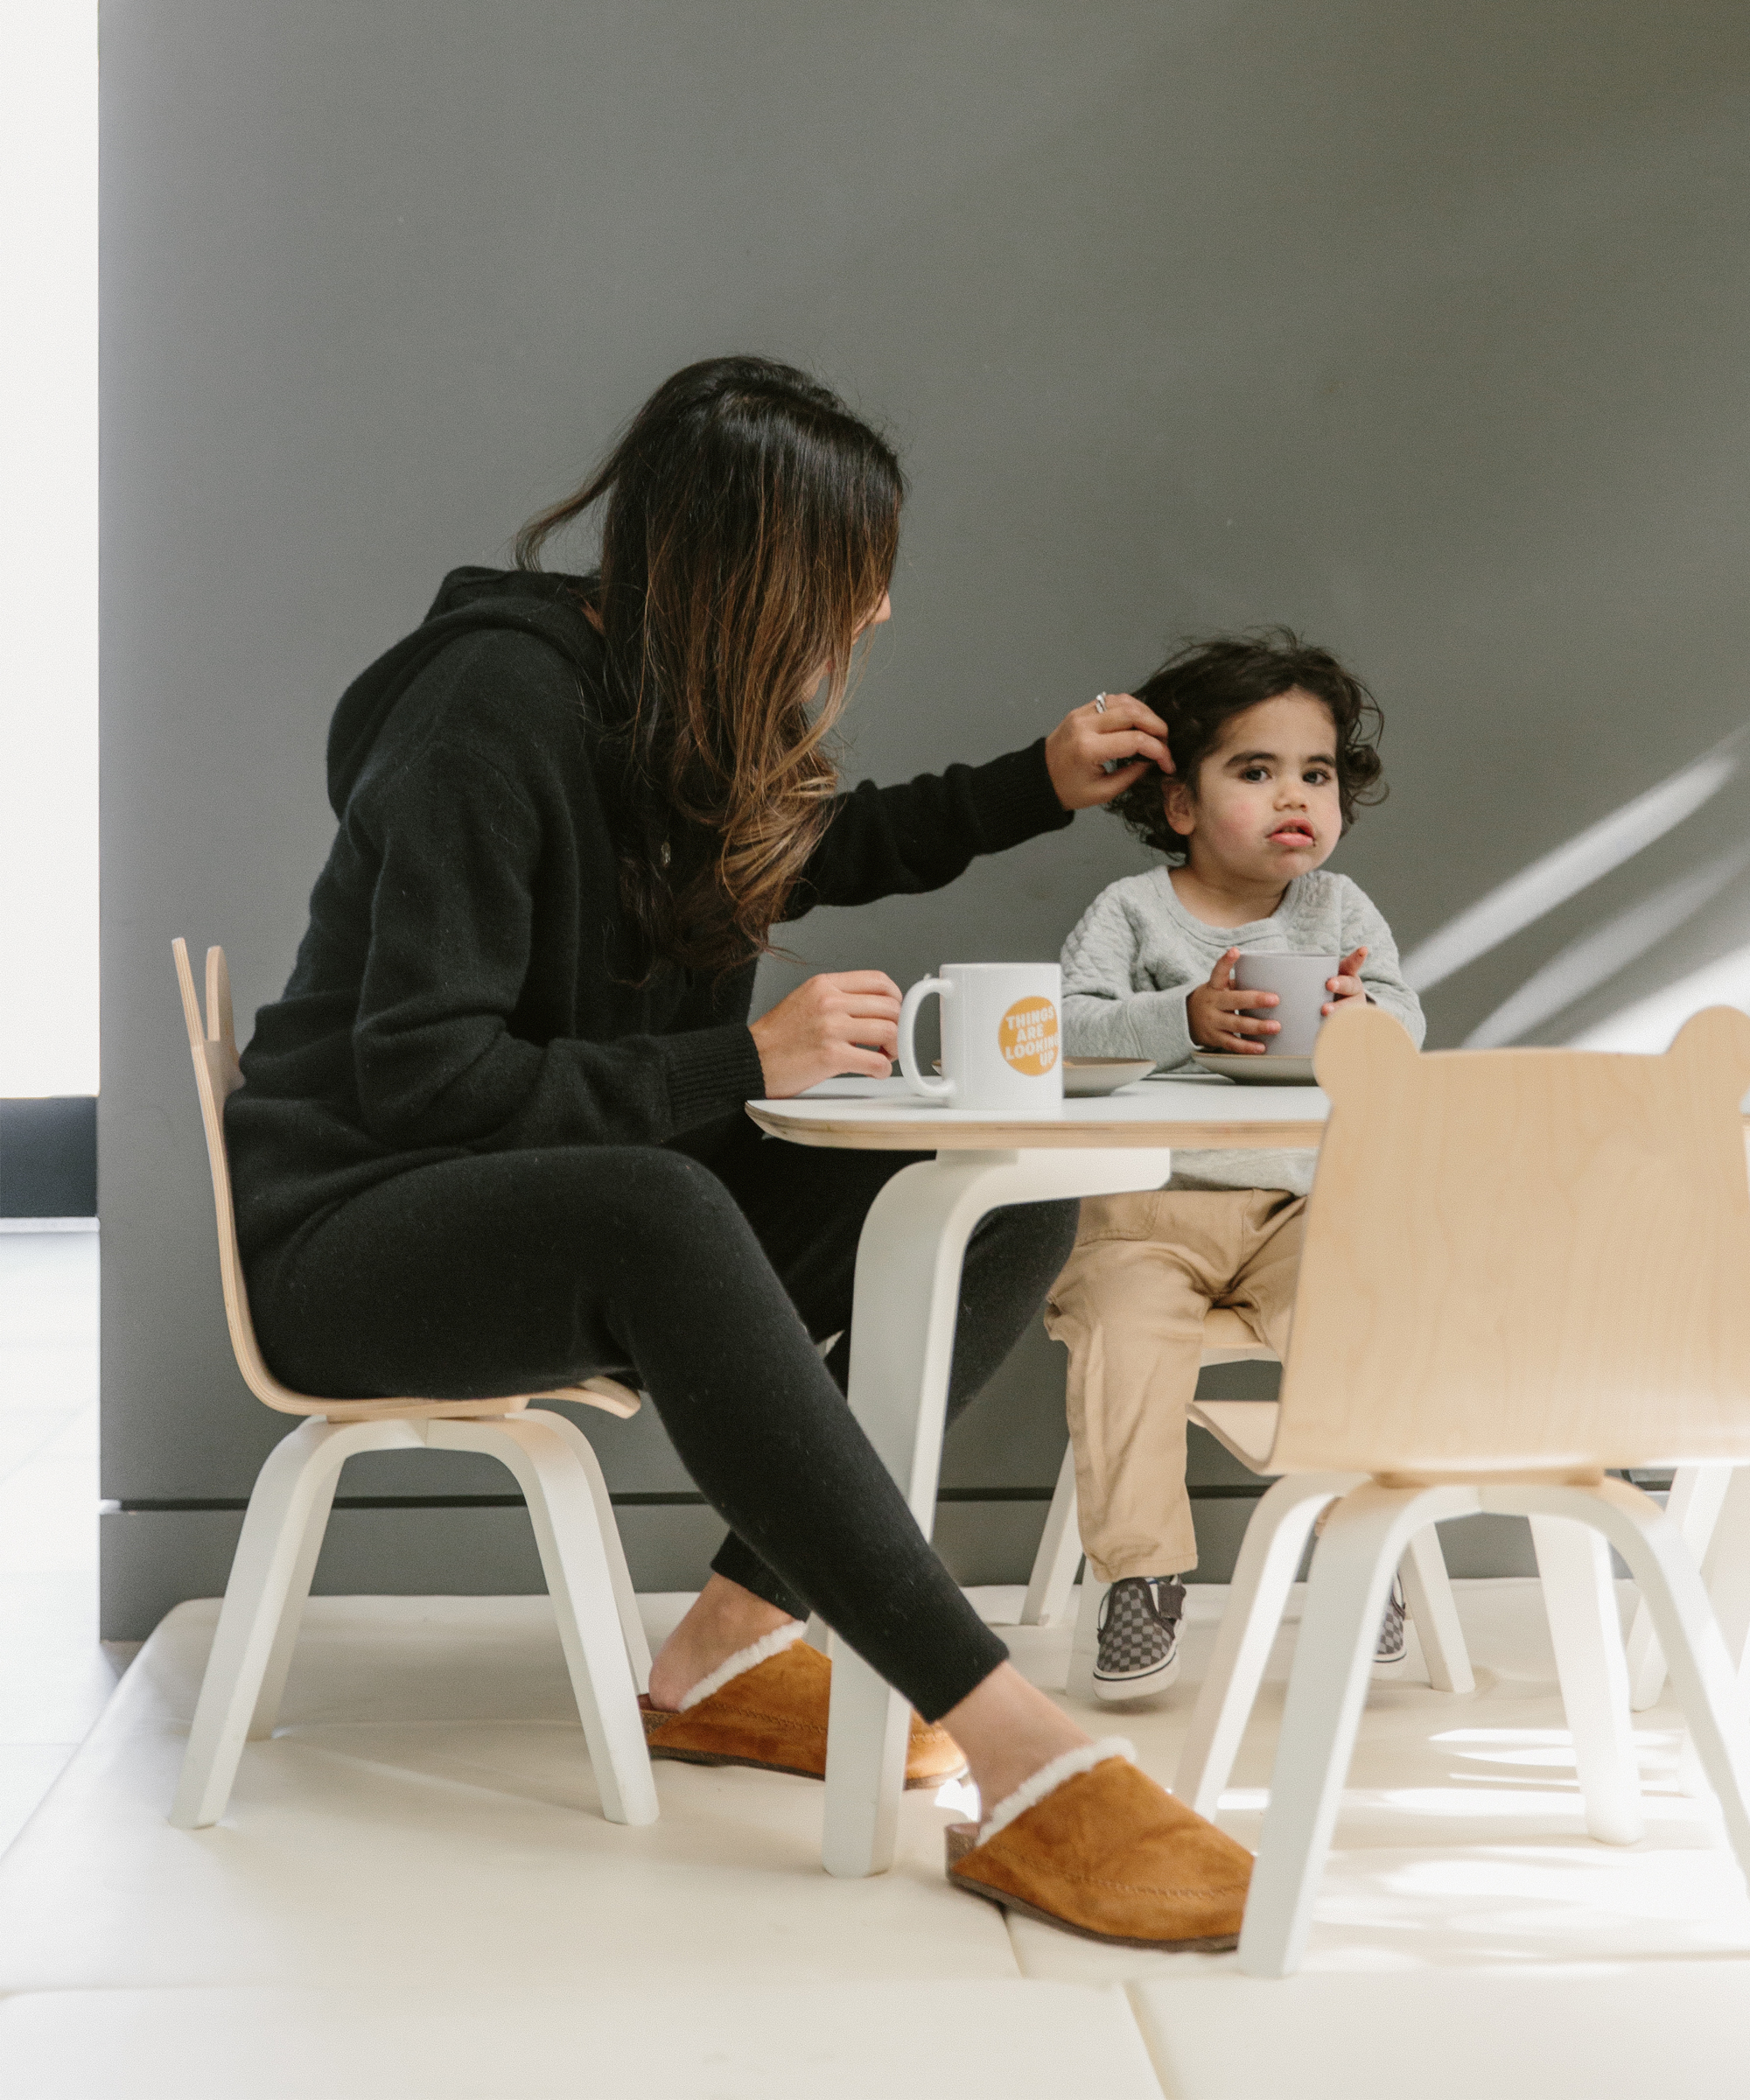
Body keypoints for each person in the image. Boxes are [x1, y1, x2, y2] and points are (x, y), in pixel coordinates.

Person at [226, 357, 1254, 1949]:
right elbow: (422, 1078)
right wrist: (739, 1059)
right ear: (759, 575)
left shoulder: (666, 713)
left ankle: (716, 1653)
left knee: (981, 1199)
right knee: (658, 1202)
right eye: (857, 574)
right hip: (349, 1235)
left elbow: (812, 841)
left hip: (515, 1192)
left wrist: (1033, 786)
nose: (883, 611)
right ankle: (1021, 1755)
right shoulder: (481, 719)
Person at [1047, 633, 1424, 1701]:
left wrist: (1364, 1020)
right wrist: (1183, 1013)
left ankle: (1362, 1555)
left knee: (1362, 1324)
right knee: (1124, 1345)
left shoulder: (1340, 912)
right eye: (1253, 772)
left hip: (1298, 1212)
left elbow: (1403, 1029)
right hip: (1144, 1213)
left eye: (1315, 773)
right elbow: (1064, 1034)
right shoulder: (1132, 913)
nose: (1291, 795)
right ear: (1177, 806)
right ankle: (1141, 1574)